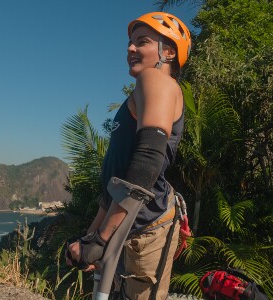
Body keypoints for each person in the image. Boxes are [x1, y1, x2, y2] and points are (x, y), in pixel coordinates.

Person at [65, 12, 192, 300]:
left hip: (147, 225)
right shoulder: (145, 89)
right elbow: (118, 178)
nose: (130, 49)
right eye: (130, 44)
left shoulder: (156, 79)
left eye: (142, 42)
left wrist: (102, 238)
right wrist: (91, 238)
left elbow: (147, 161)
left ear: (168, 51)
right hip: (128, 221)